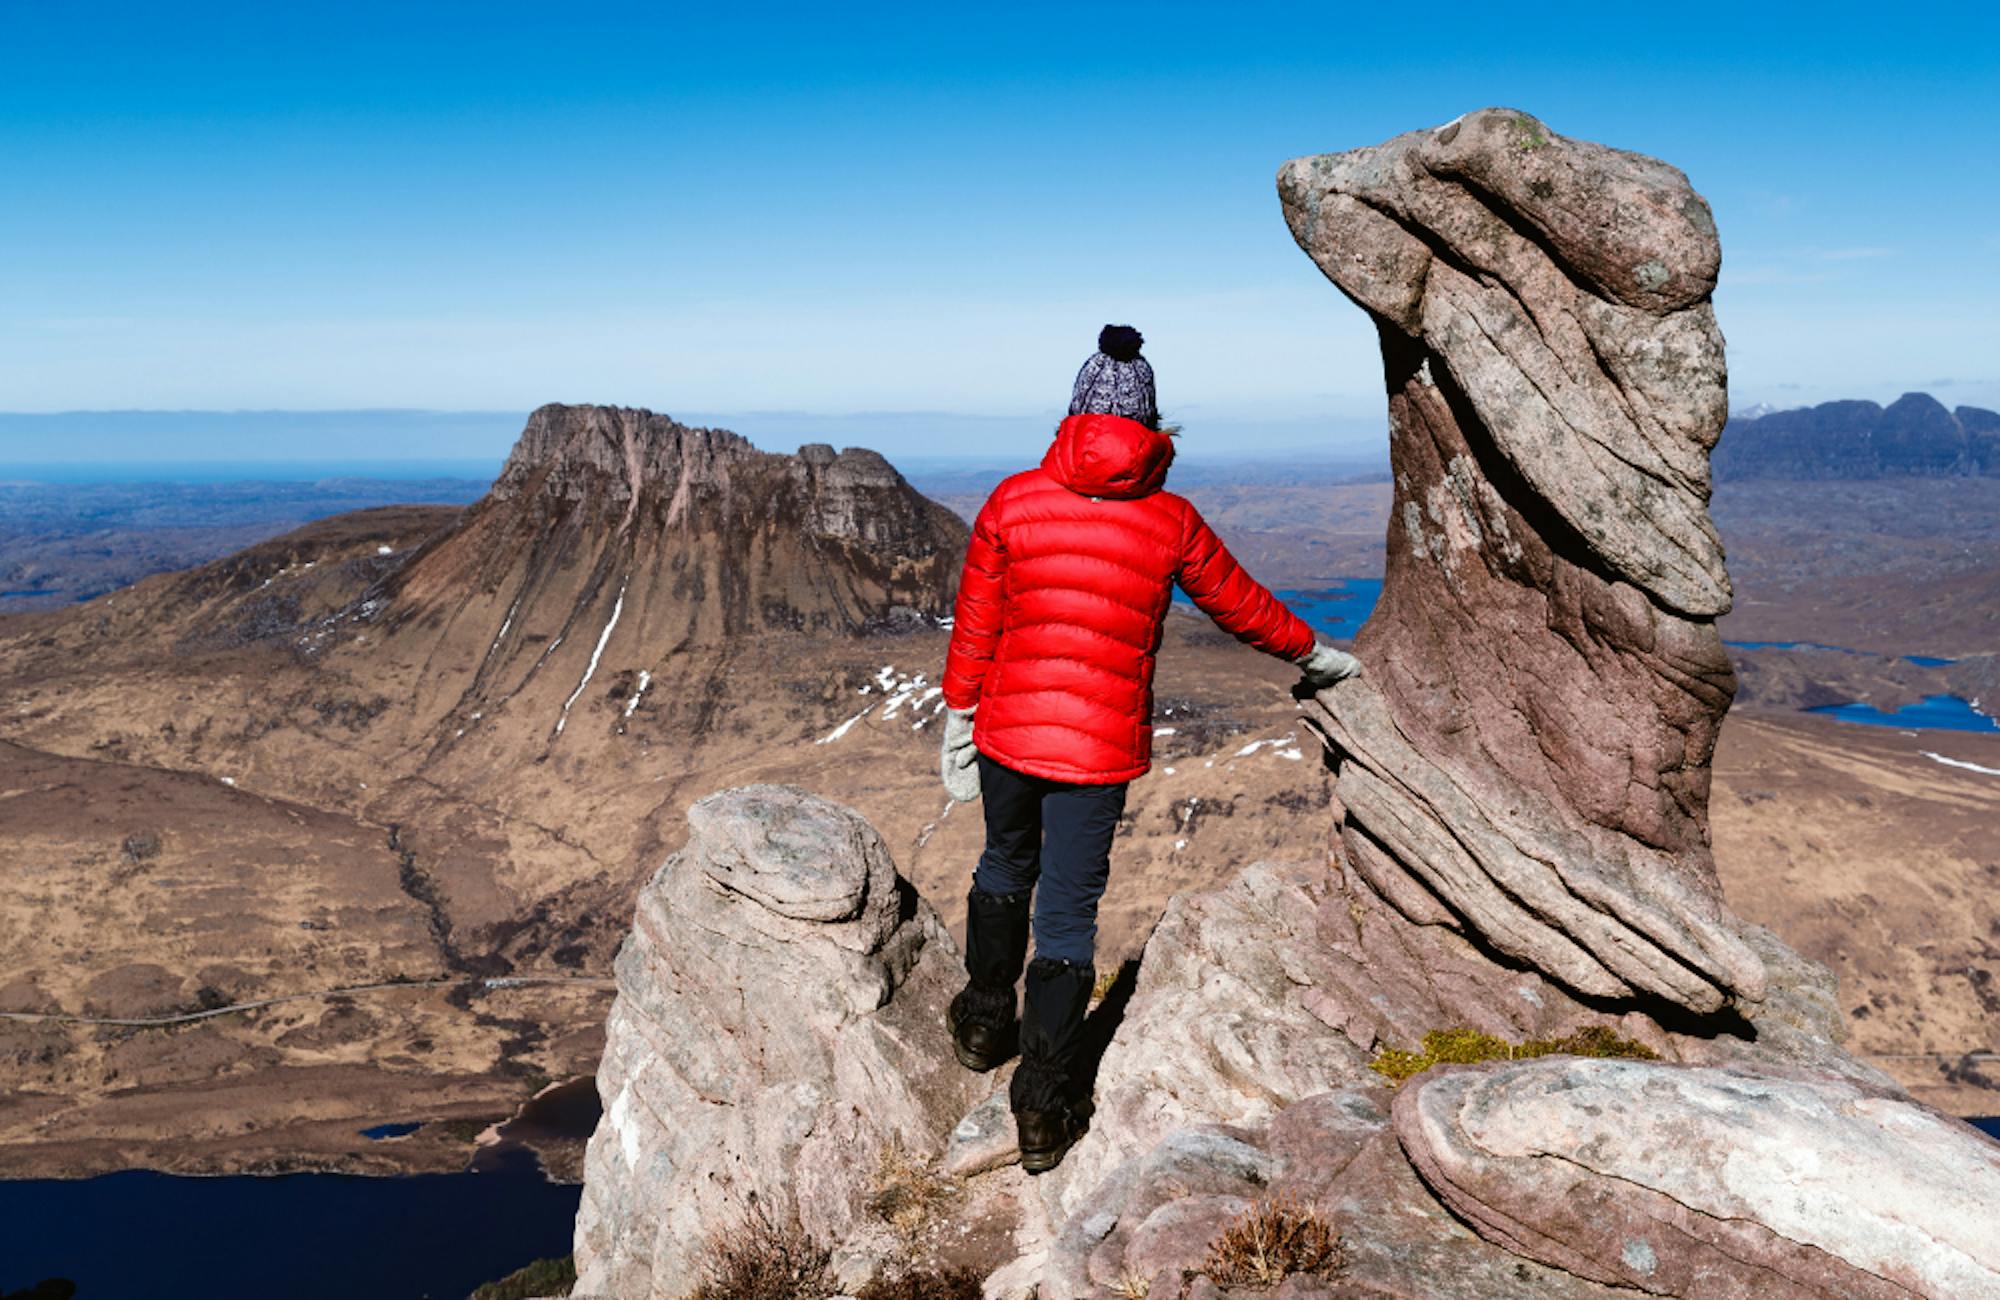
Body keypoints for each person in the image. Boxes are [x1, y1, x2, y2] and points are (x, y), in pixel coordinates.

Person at [935, 324, 1360, 1173]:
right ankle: (1045, 1108)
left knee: (1002, 864)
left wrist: (958, 718)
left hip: (1009, 734)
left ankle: (985, 1023)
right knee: (1065, 912)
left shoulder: (1012, 501)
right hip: (1095, 755)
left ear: (1072, 415)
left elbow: (978, 623)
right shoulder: (1170, 520)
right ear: (1152, 428)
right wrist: (1311, 652)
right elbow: (1239, 604)